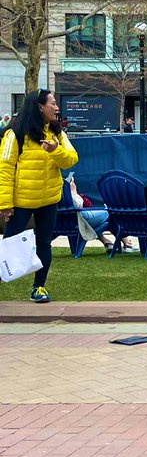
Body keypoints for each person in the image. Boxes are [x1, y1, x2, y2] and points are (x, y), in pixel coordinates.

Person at [0, 89, 79, 303]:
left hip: (48, 200)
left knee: (44, 243)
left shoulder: (57, 133)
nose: (56, 107)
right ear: (39, 106)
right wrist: (5, 203)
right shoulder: (14, 133)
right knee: (8, 245)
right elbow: (5, 169)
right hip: (21, 202)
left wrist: (56, 150)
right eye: (52, 103)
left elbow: (71, 159)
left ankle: (39, 287)